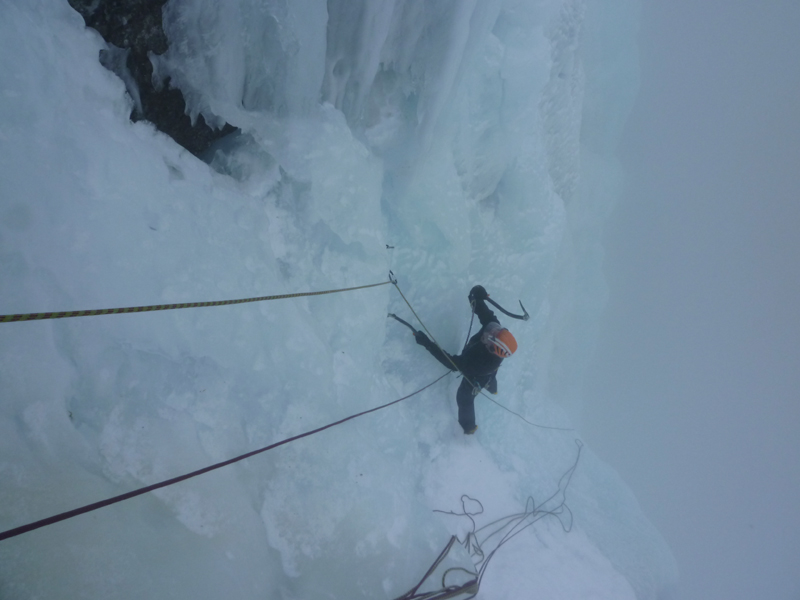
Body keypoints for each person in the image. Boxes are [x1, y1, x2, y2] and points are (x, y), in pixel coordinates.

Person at [413, 285, 517, 434]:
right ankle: (491, 387)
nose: (489, 331)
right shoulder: (494, 331)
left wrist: (427, 344)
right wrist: (476, 293)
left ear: (494, 348)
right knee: (492, 374)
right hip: (487, 367)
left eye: (491, 335)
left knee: (464, 399)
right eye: (494, 330)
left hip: (477, 375)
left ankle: (468, 428)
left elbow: (451, 362)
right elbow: (482, 311)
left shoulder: (480, 365)